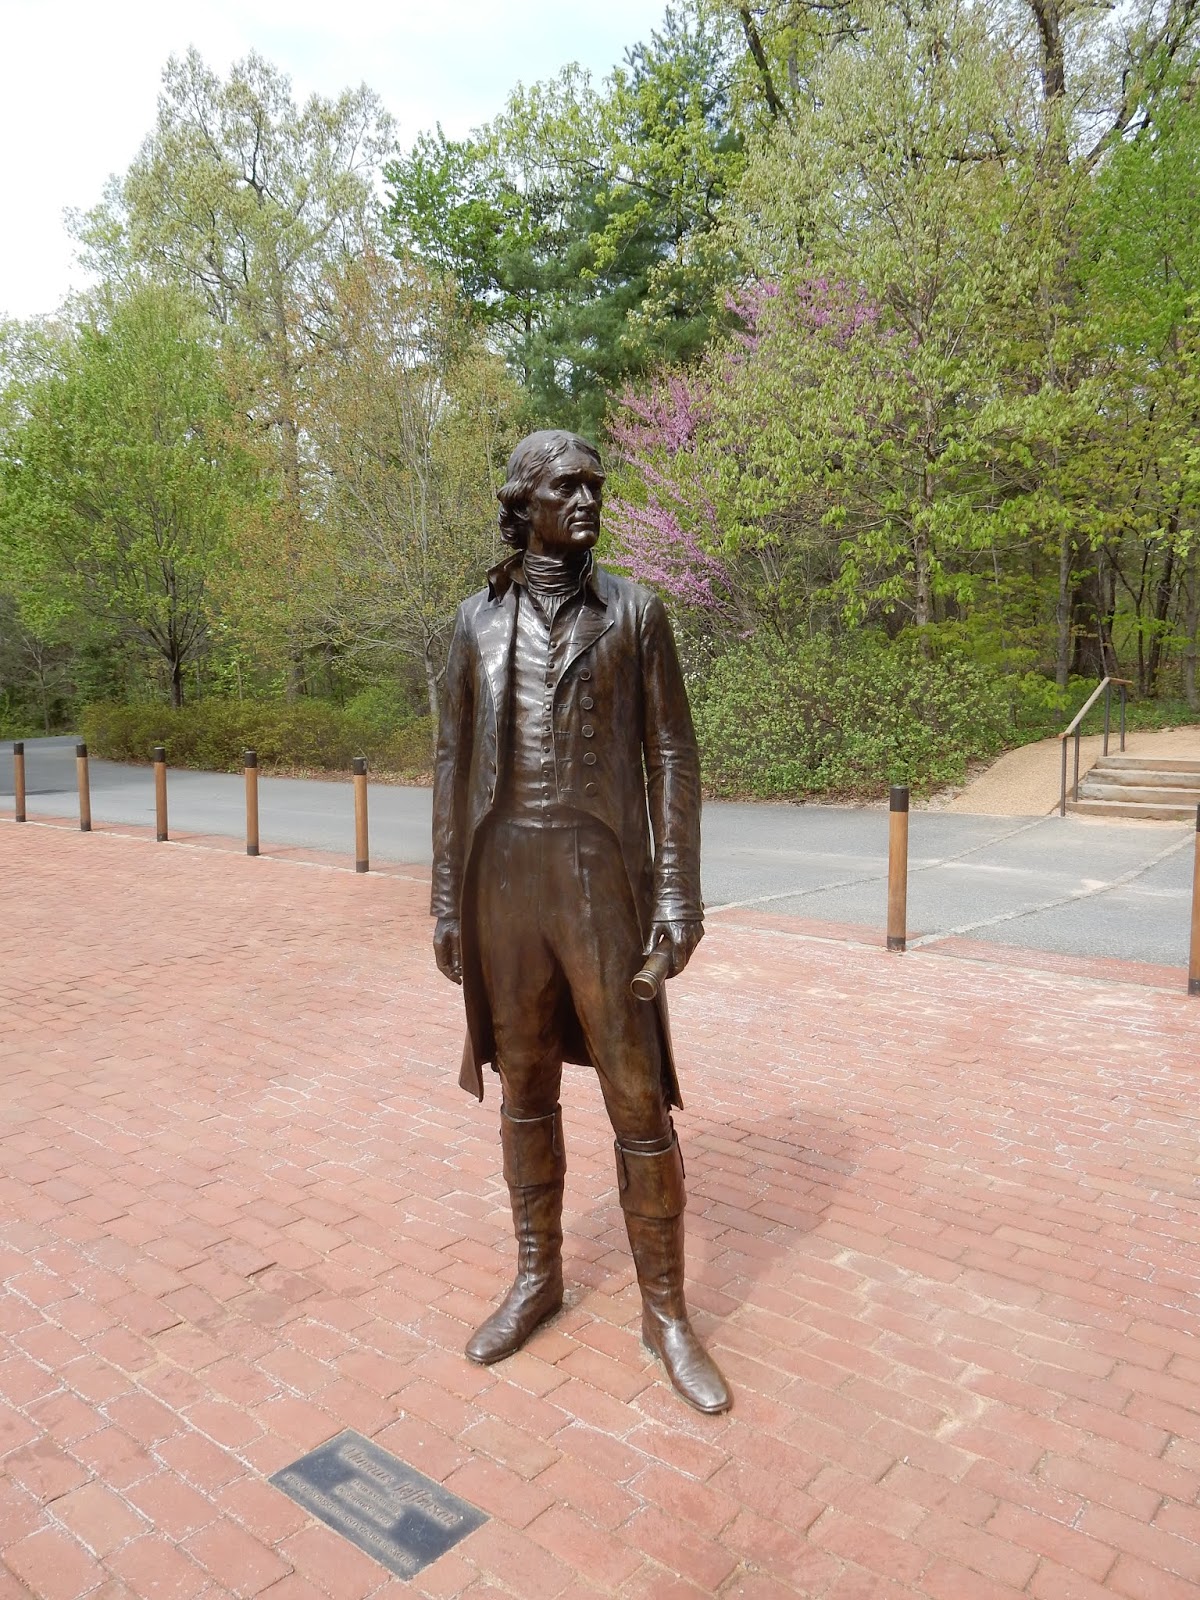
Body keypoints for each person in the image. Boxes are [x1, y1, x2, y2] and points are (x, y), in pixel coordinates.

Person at [430, 428, 730, 1414]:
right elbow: (450, 762)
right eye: (569, 486)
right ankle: (537, 1275)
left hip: (603, 882)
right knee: (522, 1087)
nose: (590, 501)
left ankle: (666, 1311)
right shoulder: (474, 622)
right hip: (505, 881)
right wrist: (445, 899)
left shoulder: (635, 613)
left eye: (596, 485)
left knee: (638, 1099)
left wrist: (678, 894)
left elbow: (673, 754)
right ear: (524, 502)